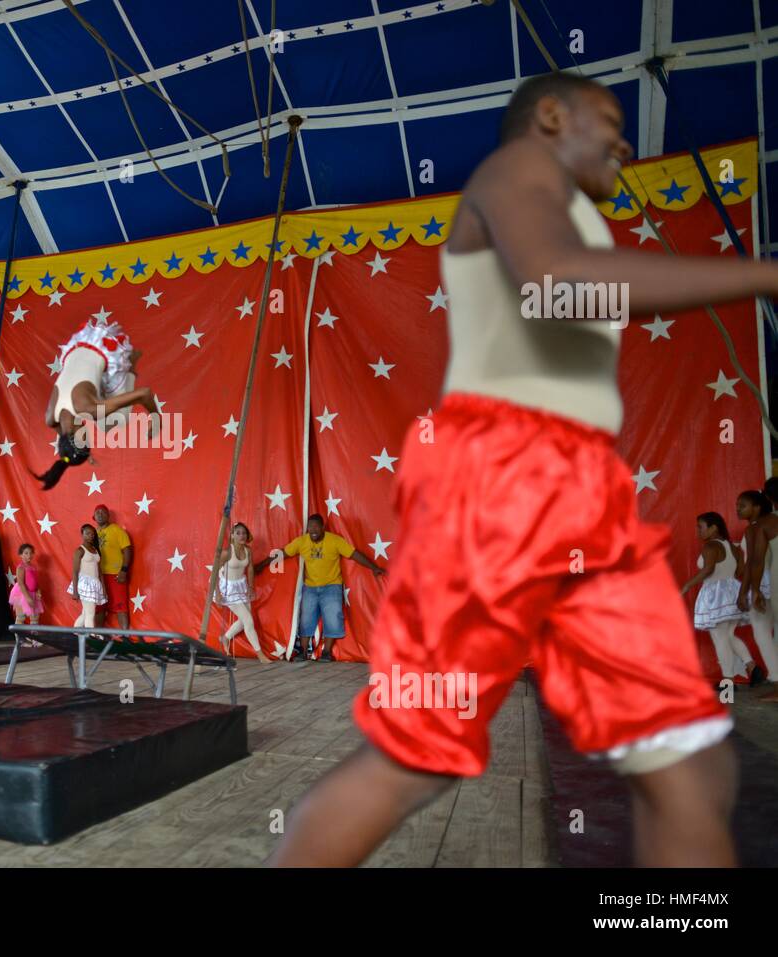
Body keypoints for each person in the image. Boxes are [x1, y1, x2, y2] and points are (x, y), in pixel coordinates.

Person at [270, 72, 778, 867]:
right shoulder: (517, 172)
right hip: (501, 474)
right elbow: (558, 286)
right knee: (410, 761)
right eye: (607, 120)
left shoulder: (568, 214)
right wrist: (763, 275)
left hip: (573, 491)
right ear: (550, 117)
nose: (624, 140)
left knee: (690, 763)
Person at [34, 318, 160, 490]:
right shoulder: (51, 418)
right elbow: (63, 439)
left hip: (105, 348)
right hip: (76, 346)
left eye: (88, 439)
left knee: (116, 421)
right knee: (103, 421)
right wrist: (84, 454)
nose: (90, 435)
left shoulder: (90, 409)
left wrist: (156, 417)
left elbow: (145, 394)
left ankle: (132, 362)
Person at [256, 514, 385, 661]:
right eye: (310, 526)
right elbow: (282, 554)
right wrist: (261, 565)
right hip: (310, 587)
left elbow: (354, 554)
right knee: (306, 620)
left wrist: (374, 567)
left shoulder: (335, 540)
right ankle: (303, 652)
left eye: (316, 526)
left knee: (333, 619)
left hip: (332, 586)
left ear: (323, 527)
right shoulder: (302, 541)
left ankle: (327, 653)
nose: (313, 529)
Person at [680, 512, 751, 684]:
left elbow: (708, 569)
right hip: (733, 591)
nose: (697, 531)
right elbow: (740, 571)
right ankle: (751, 665)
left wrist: (687, 585)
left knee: (720, 638)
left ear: (713, 528)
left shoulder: (710, 546)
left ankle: (728, 682)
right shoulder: (733, 548)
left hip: (716, 594)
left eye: (700, 527)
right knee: (728, 636)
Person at [736, 490, 778, 685]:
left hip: (764, 582)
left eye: (742, 505)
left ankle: (776, 679)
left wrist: (750, 591)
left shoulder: (756, 527)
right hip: (765, 581)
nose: (738, 509)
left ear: (757, 507)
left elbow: (754, 562)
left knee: (761, 630)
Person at [215, 522, 271, 662]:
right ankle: (260, 655)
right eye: (238, 533)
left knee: (244, 619)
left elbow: (250, 568)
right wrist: (218, 594)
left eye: (244, 533)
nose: (241, 535)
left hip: (241, 585)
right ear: (232, 535)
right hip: (227, 588)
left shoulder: (247, 550)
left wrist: (251, 587)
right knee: (248, 620)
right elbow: (215, 570)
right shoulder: (227, 551)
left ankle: (225, 638)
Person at [92, 505, 132, 629]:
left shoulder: (117, 530)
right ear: (93, 517)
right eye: (97, 512)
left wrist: (124, 570)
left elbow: (127, 550)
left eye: (103, 512)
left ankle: (126, 639)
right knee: (99, 608)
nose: (100, 514)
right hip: (97, 576)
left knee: (121, 607)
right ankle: (98, 637)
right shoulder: (92, 534)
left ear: (108, 515)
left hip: (115, 575)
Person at [68, 524, 106, 628]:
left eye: (92, 534)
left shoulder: (95, 550)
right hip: (85, 584)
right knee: (90, 614)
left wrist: (104, 589)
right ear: (82, 534)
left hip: (94, 584)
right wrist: (75, 591)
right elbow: (75, 572)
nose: (90, 536)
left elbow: (100, 571)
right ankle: (92, 636)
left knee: (86, 613)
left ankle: (75, 632)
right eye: (87, 533)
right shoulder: (80, 551)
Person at [9, 543, 44, 632]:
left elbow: (35, 582)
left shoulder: (33, 567)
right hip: (22, 594)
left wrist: (38, 591)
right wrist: (28, 598)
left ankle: (34, 639)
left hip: (32, 593)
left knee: (35, 617)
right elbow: (21, 583)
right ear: (21, 555)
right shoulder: (21, 567)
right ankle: (20, 640)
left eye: (31, 553)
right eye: (26, 553)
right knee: (21, 617)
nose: (29, 555)